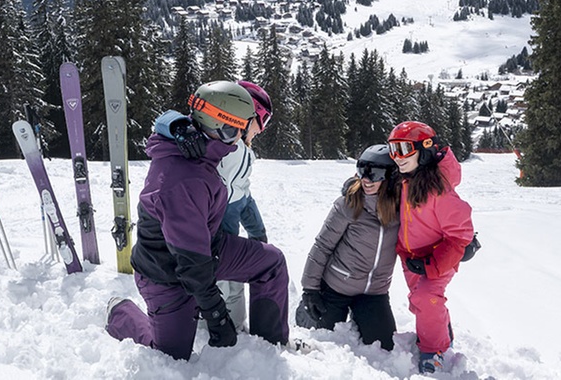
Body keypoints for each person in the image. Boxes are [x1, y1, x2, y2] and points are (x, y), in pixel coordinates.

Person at [105, 80, 289, 361]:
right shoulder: (182, 180)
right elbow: (191, 264)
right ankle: (120, 312)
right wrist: (216, 315)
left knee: (271, 263)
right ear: (222, 127)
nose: (240, 137)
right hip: (166, 274)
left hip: (207, 249)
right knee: (171, 357)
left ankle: (268, 347)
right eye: (235, 130)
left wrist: (175, 123)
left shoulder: (201, 143)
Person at [152, 80, 273, 331]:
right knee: (219, 287)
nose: (262, 130)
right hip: (207, 242)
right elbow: (166, 122)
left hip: (227, 238)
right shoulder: (223, 144)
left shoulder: (241, 151)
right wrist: (177, 127)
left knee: (235, 288)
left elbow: (243, 195)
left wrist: (257, 232)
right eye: (262, 120)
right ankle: (210, 334)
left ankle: (236, 330)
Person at [387, 121, 474, 374]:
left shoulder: (438, 189)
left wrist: (433, 264)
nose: (397, 158)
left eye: (404, 149)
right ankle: (441, 330)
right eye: (393, 150)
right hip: (411, 257)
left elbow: (460, 234)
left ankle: (433, 350)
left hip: (437, 257)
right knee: (420, 301)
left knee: (425, 298)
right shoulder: (405, 180)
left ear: (425, 150)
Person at [296, 144, 400, 351]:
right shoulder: (348, 204)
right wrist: (310, 290)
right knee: (322, 334)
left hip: (374, 292)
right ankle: (302, 311)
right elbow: (322, 246)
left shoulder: (402, 208)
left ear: (391, 176)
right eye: (362, 170)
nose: (367, 179)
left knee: (385, 345)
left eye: (375, 173)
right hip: (336, 287)